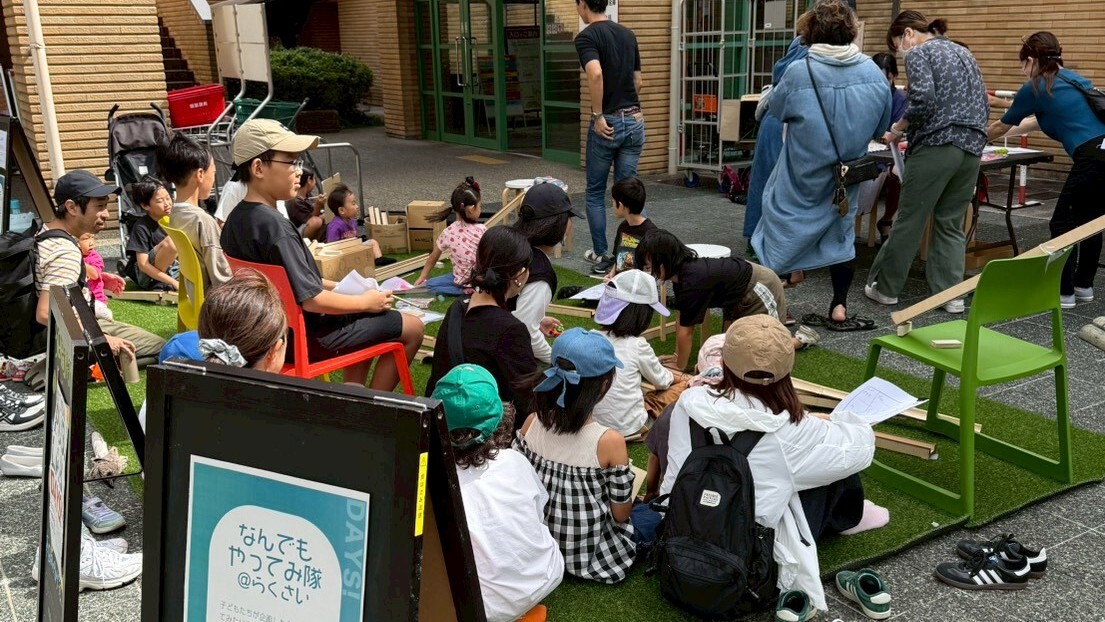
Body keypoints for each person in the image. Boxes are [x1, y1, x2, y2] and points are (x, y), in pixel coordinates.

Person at [660, 315, 882, 613]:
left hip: (679, 530)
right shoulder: (790, 429)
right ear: (787, 370)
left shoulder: (689, 403)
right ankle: (847, 521)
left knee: (805, 465)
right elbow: (860, 451)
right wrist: (842, 421)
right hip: (750, 559)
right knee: (833, 467)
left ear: (724, 362)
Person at [219, 119, 422, 390]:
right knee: (413, 328)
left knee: (365, 317)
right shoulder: (276, 227)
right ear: (258, 168)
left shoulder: (235, 220)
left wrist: (343, 289)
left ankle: (354, 393)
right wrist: (366, 301)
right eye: (290, 163)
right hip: (307, 337)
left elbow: (288, 283)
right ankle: (372, 411)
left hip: (270, 335)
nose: (298, 172)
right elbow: (312, 300)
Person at [752, 0, 891, 329]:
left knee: (778, 230)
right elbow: (879, 127)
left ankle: (779, 309)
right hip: (845, 175)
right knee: (842, 237)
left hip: (801, 173)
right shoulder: (873, 73)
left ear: (811, 33)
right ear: (851, 33)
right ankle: (839, 307)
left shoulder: (800, 72)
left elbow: (779, 110)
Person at [865, 11, 989, 314]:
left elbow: (923, 101)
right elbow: (981, 100)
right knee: (950, 222)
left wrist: (897, 129)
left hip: (936, 145)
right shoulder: (962, 51)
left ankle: (886, 288)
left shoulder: (919, 52)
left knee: (910, 218)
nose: (901, 52)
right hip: (972, 146)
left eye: (898, 45)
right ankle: (951, 296)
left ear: (907, 34)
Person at [431, 364, 563, 622]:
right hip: (544, 576)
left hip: (482, 608)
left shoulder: (434, 486)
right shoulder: (515, 461)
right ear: (499, 416)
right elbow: (538, 513)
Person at [988, 32, 1105, 309]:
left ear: (1030, 60)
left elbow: (1003, 126)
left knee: (1061, 223)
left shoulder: (1037, 87)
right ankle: (1083, 285)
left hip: (1091, 157)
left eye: (1022, 64)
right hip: (1103, 151)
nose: (1022, 70)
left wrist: (975, 139)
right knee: (1090, 222)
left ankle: (1062, 292)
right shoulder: (1074, 80)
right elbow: (1033, 123)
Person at [515, 328, 637, 584]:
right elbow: (621, 514)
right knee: (648, 519)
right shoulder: (609, 442)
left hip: (539, 543)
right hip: (589, 555)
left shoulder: (530, 423)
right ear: (604, 384)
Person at [34, 170, 165, 367]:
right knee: (162, 348)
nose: (106, 214)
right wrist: (101, 339)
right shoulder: (65, 252)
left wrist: (94, 276)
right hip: (79, 331)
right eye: (100, 206)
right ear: (72, 207)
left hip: (81, 321)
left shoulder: (46, 231)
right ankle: (84, 365)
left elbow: (52, 275)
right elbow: (45, 313)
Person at [636, 229, 817, 371]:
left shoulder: (691, 281)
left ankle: (799, 340)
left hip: (760, 286)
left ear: (665, 262)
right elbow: (682, 319)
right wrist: (677, 355)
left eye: (649, 267)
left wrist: (680, 366)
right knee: (730, 348)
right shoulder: (680, 275)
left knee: (764, 348)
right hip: (735, 295)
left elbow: (686, 331)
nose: (647, 273)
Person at [426, 226, 537, 422]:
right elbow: (527, 403)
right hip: (486, 435)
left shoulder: (457, 309)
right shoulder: (510, 330)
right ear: (519, 275)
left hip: (442, 424)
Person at [575, 0, 644, 269]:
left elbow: (595, 74)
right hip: (635, 118)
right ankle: (634, 257)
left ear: (583, 5)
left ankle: (603, 254)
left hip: (609, 123)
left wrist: (598, 114)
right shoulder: (628, 35)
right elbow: (638, 81)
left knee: (594, 192)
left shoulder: (587, 37)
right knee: (631, 194)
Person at [591, 269, 689, 437]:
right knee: (681, 389)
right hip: (629, 428)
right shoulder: (637, 345)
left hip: (591, 424)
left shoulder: (591, 337)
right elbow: (662, 382)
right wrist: (682, 378)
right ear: (641, 316)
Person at [511, 182, 578, 364]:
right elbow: (525, 330)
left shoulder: (509, 243)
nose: (571, 224)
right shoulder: (539, 271)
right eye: (569, 217)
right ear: (559, 225)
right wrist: (555, 359)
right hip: (496, 359)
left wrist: (537, 320)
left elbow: (506, 307)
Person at [159, 133, 234, 291]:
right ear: (200, 175)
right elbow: (223, 281)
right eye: (213, 173)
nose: (213, 179)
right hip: (215, 306)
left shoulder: (174, 215)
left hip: (194, 302)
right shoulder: (203, 221)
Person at [414, 177, 487, 296]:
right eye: (480, 206)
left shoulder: (448, 232)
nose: (480, 209)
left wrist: (423, 276)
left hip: (459, 280)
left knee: (430, 284)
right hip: (479, 281)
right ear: (472, 209)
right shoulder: (482, 229)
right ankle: (469, 290)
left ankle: (462, 290)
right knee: (434, 283)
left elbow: (433, 257)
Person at [871, 52, 908, 242]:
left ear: (893, 76)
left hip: (889, 153)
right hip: (870, 151)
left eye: (885, 76)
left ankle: (886, 220)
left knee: (895, 175)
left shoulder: (900, 99)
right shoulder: (866, 95)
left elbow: (895, 133)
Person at [124, 176, 179, 291]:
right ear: (145, 206)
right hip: (146, 276)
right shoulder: (141, 227)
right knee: (172, 241)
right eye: (160, 201)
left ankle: (166, 282)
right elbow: (143, 265)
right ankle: (160, 283)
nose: (167, 203)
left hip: (172, 268)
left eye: (168, 198)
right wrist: (173, 282)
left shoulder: (174, 219)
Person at [594, 176, 656, 277]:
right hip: (620, 283)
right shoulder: (623, 227)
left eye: (613, 201)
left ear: (621, 205)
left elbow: (653, 270)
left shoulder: (651, 232)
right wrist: (612, 274)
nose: (612, 204)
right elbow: (618, 259)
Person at [78, 233, 113, 321]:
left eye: (92, 238)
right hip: (80, 299)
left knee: (101, 314)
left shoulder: (94, 257)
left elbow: (94, 275)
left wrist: (77, 260)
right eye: (86, 239)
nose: (91, 243)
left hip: (96, 300)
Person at [288, 166, 326, 242]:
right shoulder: (295, 201)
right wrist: (318, 205)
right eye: (314, 179)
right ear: (309, 180)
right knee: (317, 221)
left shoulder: (305, 195)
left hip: (306, 225)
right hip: (298, 232)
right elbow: (310, 220)